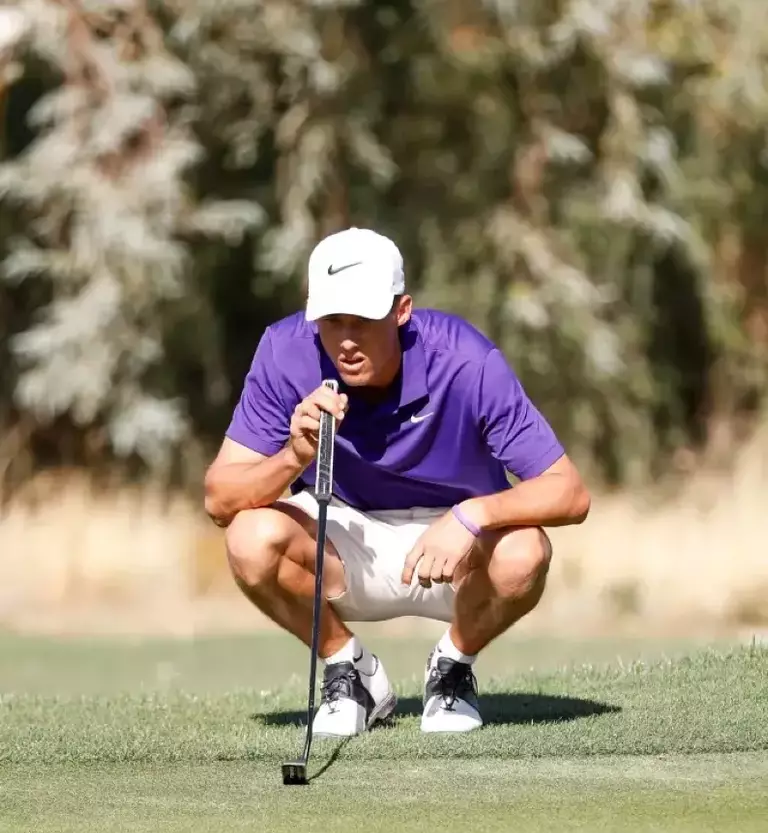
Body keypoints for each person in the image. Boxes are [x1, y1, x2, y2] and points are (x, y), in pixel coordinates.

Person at [204, 227, 591, 736]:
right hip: (346, 541)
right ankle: (350, 670)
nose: (345, 340)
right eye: (331, 320)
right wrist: (293, 457)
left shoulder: (465, 360)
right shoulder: (284, 351)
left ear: (401, 310)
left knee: (525, 553)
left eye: (363, 321)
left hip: (457, 550)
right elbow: (219, 499)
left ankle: (452, 668)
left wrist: (474, 515)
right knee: (249, 540)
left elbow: (570, 492)